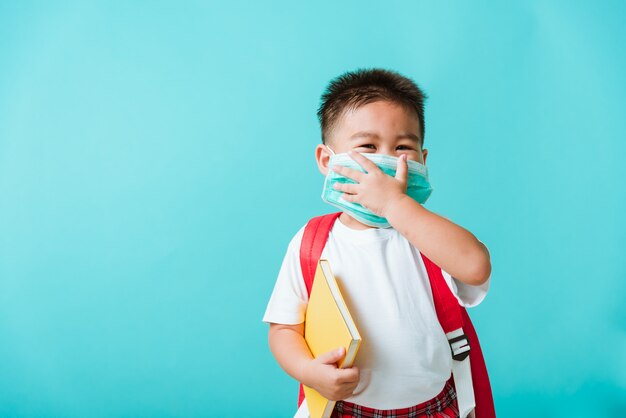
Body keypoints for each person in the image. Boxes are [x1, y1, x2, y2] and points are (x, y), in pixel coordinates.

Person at [263, 68, 492, 418]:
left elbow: (476, 267)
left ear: (423, 161)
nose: (387, 161)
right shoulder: (312, 242)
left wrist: (394, 205)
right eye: (368, 147)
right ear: (328, 161)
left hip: (433, 408)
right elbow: (284, 328)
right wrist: (309, 372)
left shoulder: (430, 235)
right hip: (345, 409)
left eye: (403, 147)